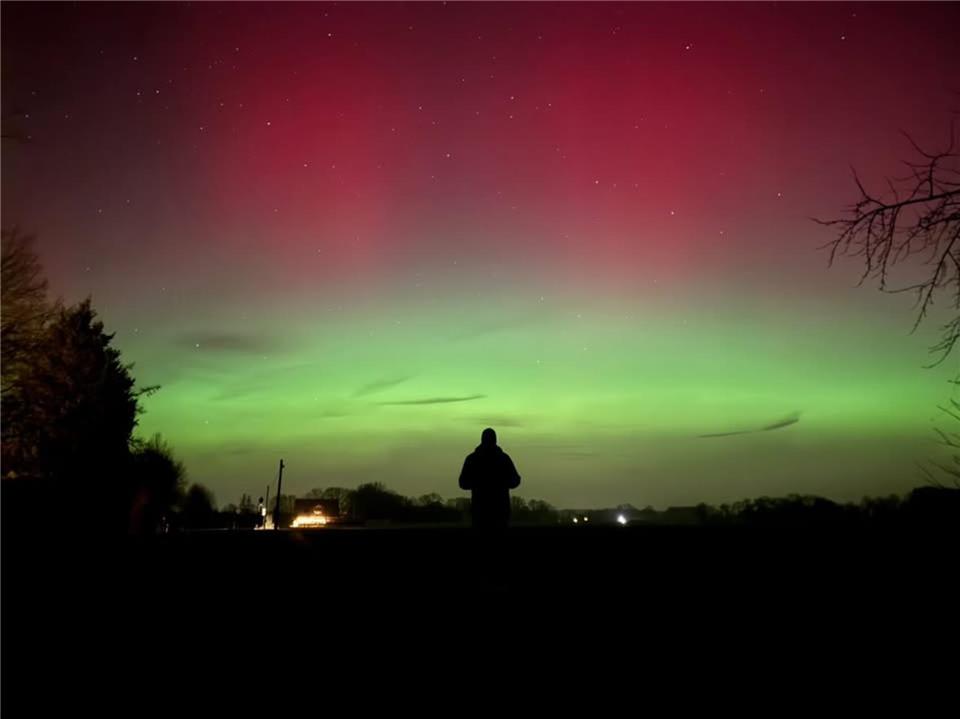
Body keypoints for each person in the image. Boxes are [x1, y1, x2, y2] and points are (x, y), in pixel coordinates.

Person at [458, 428, 521, 529]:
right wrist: (502, 484)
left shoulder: (472, 459)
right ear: (495, 440)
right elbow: (516, 480)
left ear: (482, 440)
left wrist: (478, 484)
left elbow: (462, 483)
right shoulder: (504, 458)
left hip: (480, 510)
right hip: (500, 510)